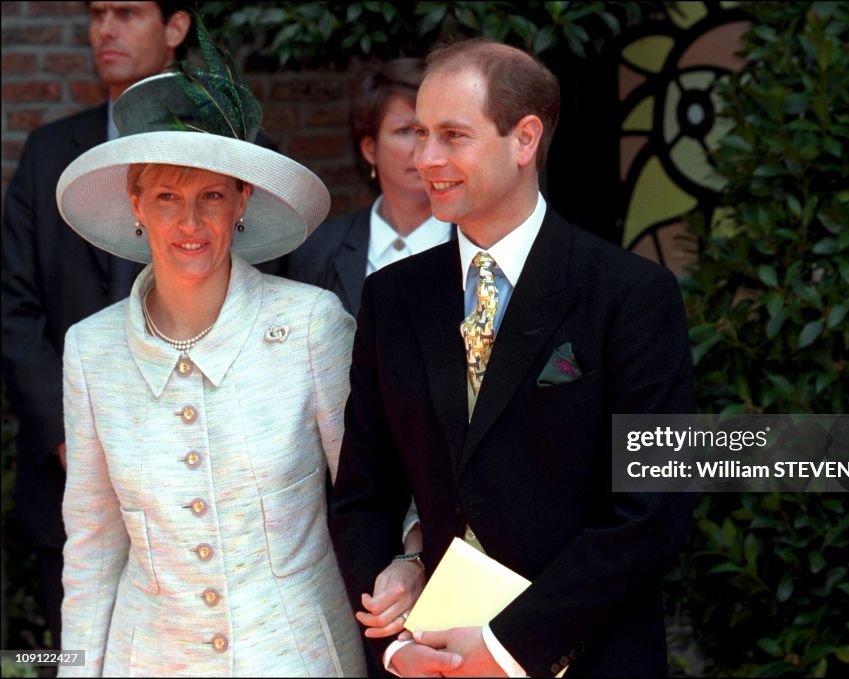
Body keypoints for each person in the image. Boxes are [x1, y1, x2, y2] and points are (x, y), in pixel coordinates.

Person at [54, 30, 418, 676]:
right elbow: (90, 551)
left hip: (299, 656)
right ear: (136, 204)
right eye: (167, 196)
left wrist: (411, 560)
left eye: (211, 196)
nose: (189, 223)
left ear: (241, 202)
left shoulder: (311, 325)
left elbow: (380, 491)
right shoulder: (91, 350)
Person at [330, 38, 696, 677]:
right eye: (418, 135)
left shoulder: (633, 295)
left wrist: (506, 645)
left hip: (593, 659)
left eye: (452, 136)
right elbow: (364, 494)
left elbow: (653, 513)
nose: (426, 159)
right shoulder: (392, 298)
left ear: (525, 140)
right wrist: (392, 641)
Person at [1, 1, 192, 650]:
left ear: (176, 27)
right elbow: (13, 305)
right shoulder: (49, 151)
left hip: (199, 477)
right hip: (66, 484)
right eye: (96, 13)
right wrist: (69, 437)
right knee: (75, 654)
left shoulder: (231, 156)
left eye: (127, 12)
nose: (104, 30)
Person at [287, 57, 452, 316]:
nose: (426, 149)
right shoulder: (318, 250)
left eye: (437, 132)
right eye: (406, 131)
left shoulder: (478, 242)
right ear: (370, 149)